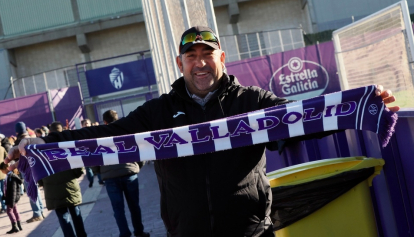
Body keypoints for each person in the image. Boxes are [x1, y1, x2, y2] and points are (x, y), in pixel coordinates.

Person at [6, 26, 399, 236]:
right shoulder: (159, 111)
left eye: (207, 54)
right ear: (180, 63)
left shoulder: (251, 100)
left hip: (251, 231)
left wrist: (367, 101)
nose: (199, 63)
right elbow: (105, 140)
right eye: (191, 56)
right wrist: (43, 144)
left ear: (221, 58)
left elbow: (301, 119)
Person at [91, 110, 149, 237]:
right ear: (117, 118)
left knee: (118, 209)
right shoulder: (126, 130)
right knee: (134, 206)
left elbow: (93, 156)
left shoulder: (100, 135)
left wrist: (99, 172)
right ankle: (139, 232)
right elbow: (139, 149)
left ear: (104, 121)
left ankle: (124, 233)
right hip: (129, 173)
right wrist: (137, 165)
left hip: (110, 177)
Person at [38, 168, 87, 237]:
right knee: (76, 213)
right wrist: (76, 174)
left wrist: (42, 182)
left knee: (63, 216)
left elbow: (37, 171)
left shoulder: (42, 156)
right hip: (69, 183)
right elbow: (77, 164)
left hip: (52, 189)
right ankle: (81, 235)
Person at [14, 122, 45, 223]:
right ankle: (41, 210)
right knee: (36, 189)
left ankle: (37, 213)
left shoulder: (19, 141)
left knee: (31, 191)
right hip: (35, 166)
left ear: (17, 131)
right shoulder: (32, 137)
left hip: (27, 169)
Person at [0, 162, 23, 234]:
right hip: (10, 197)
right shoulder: (9, 175)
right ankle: (19, 225)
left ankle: (14, 226)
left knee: (9, 211)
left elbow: (13, 190)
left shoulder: (11, 177)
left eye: (1, 170)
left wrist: (12, 200)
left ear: (6, 168)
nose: (1, 172)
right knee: (15, 210)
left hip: (11, 198)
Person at [81, 119, 104, 187]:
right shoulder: (81, 133)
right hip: (86, 153)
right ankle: (91, 181)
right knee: (88, 169)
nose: (86, 124)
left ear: (90, 124)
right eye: (85, 123)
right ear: (82, 125)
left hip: (95, 152)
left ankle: (101, 181)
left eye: (87, 123)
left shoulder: (94, 131)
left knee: (98, 167)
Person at [0, 145, 7, 214]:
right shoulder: (2, 148)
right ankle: (7, 205)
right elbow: (7, 157)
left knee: (0, 192)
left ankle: (4, 206)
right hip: (3, 171)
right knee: (4, 190)